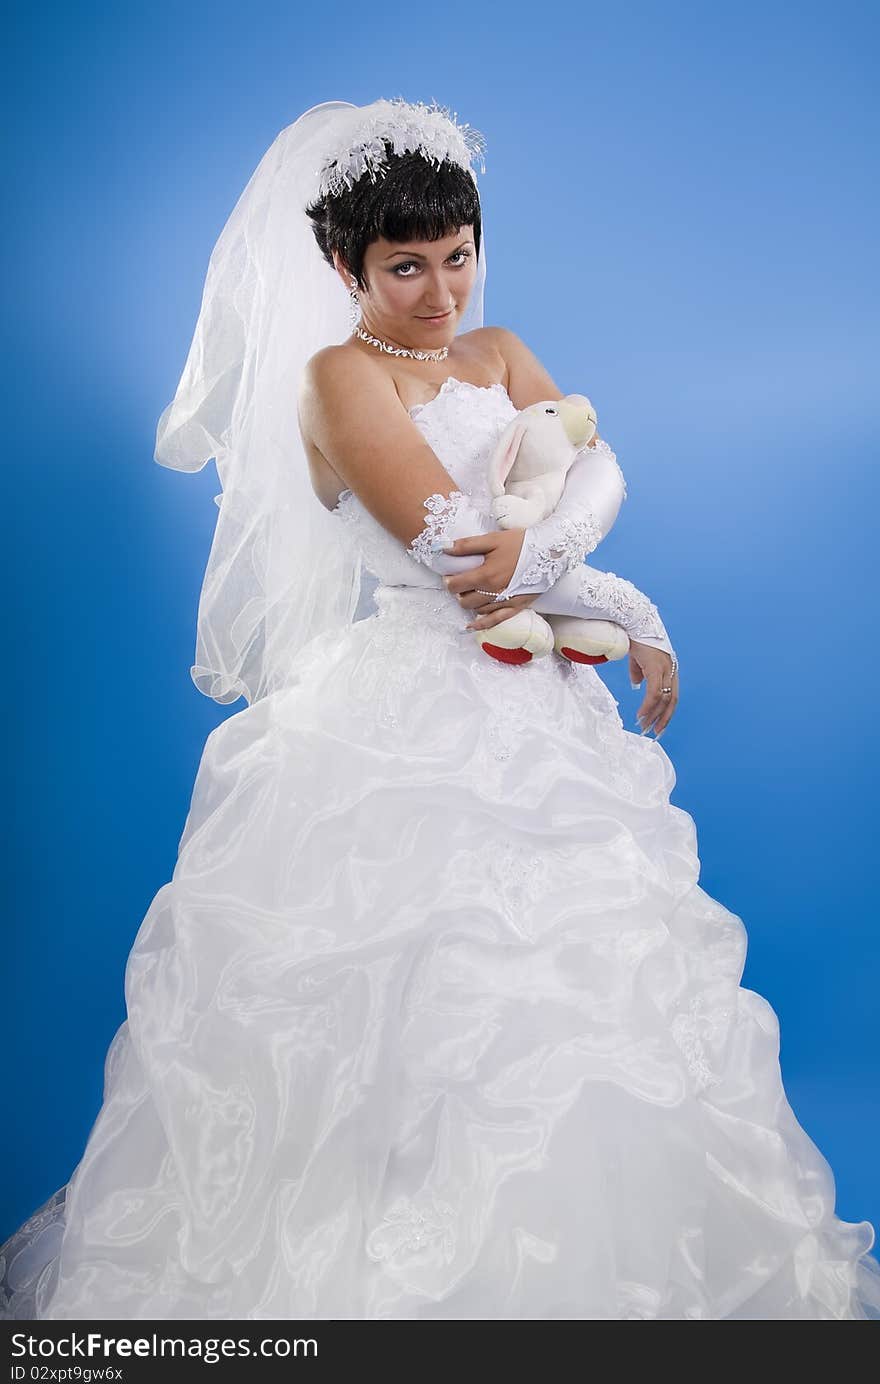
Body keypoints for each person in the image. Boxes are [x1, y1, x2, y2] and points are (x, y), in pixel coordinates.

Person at [1, 97, 878, 1321]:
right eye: (404, 265)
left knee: (583, 1012)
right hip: (405, 716)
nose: (439, 289)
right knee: (411, 1020)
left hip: (546, 715)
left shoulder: (501, 351)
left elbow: (603, 467)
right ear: (343, 266)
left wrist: (589, 573)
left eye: (455, 254)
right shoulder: (336, 379)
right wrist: (618, 592)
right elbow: (460, 558)